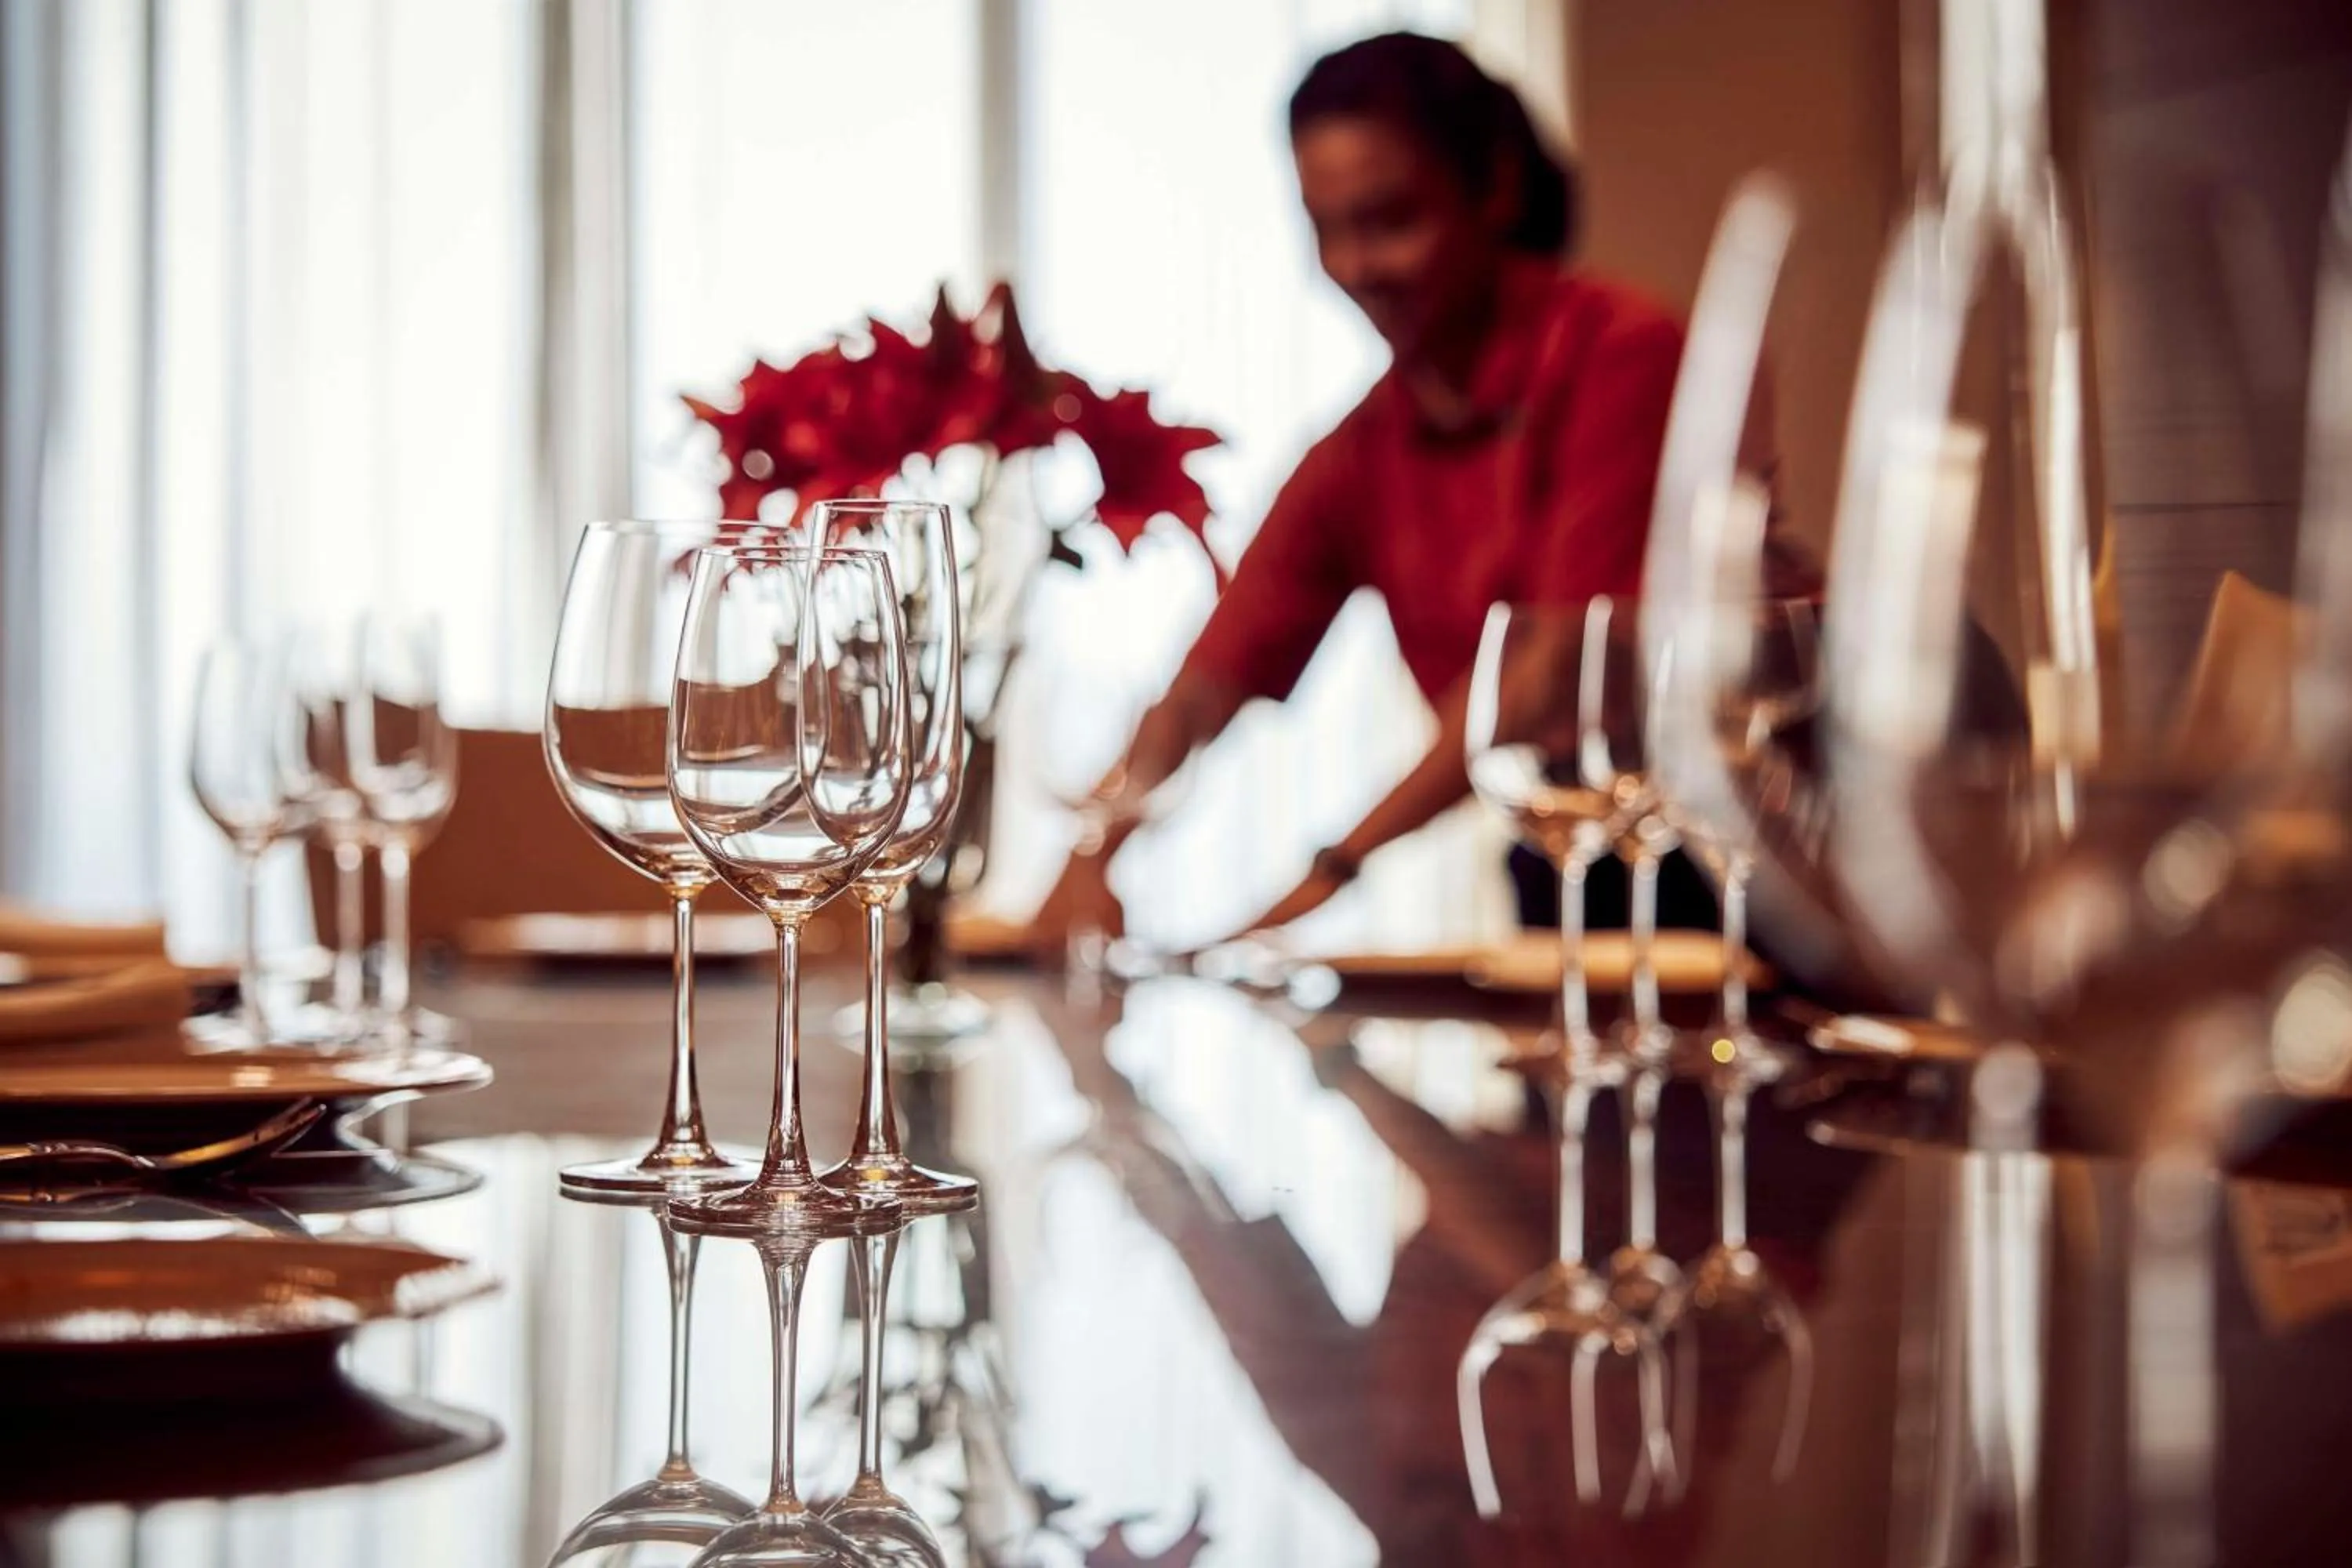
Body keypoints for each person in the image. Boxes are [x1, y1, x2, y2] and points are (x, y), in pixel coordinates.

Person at [1029, 31, 1759, 950]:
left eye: (1390, 220)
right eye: (1328, 228)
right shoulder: (1363, 447)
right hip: (1566, 863)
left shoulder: (1625, 354)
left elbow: (1553, 665)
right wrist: (1086, 862)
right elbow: (1210, 679)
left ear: (1493, 188)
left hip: (1740, 858)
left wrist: (1329, 871)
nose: (1358, 265)